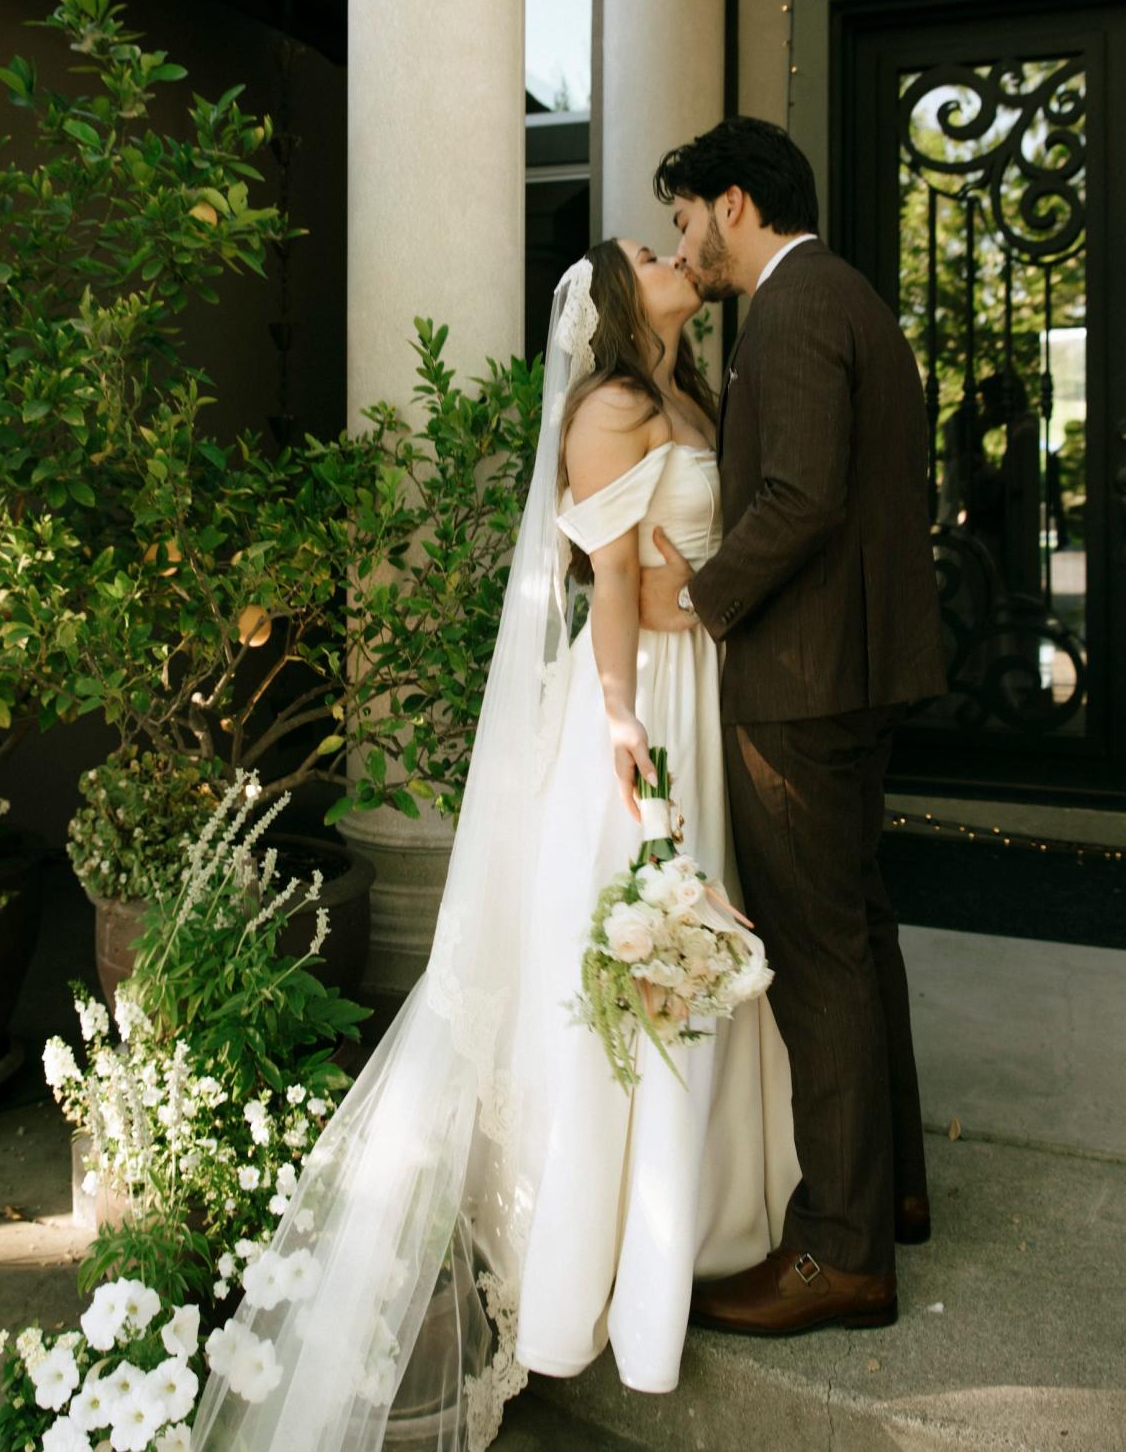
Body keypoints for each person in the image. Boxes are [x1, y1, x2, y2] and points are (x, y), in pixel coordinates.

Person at [192, 235, 799, 1452]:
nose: (674, 250)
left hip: (702, 675)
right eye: (647, 249)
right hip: (639, 698)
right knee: (630, 940)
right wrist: (624, 710)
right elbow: (613, 578)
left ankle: (693, 1215)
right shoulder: (611, 404)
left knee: (688, 935)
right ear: (620, 298)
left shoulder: (686, 393)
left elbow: (692, 558)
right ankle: (602, 1253)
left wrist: (708, 598)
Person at [641, 116, 947, 1336]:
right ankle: (894, 1192)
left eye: (685, 220)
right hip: (852, 672)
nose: (684, 244)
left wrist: (702, 599)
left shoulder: (796, 303)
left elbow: (803, 496)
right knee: (858, 934)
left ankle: (840, 1253)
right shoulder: (844, 297)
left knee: (817, 956)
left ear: (734, 203)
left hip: (808, 682)